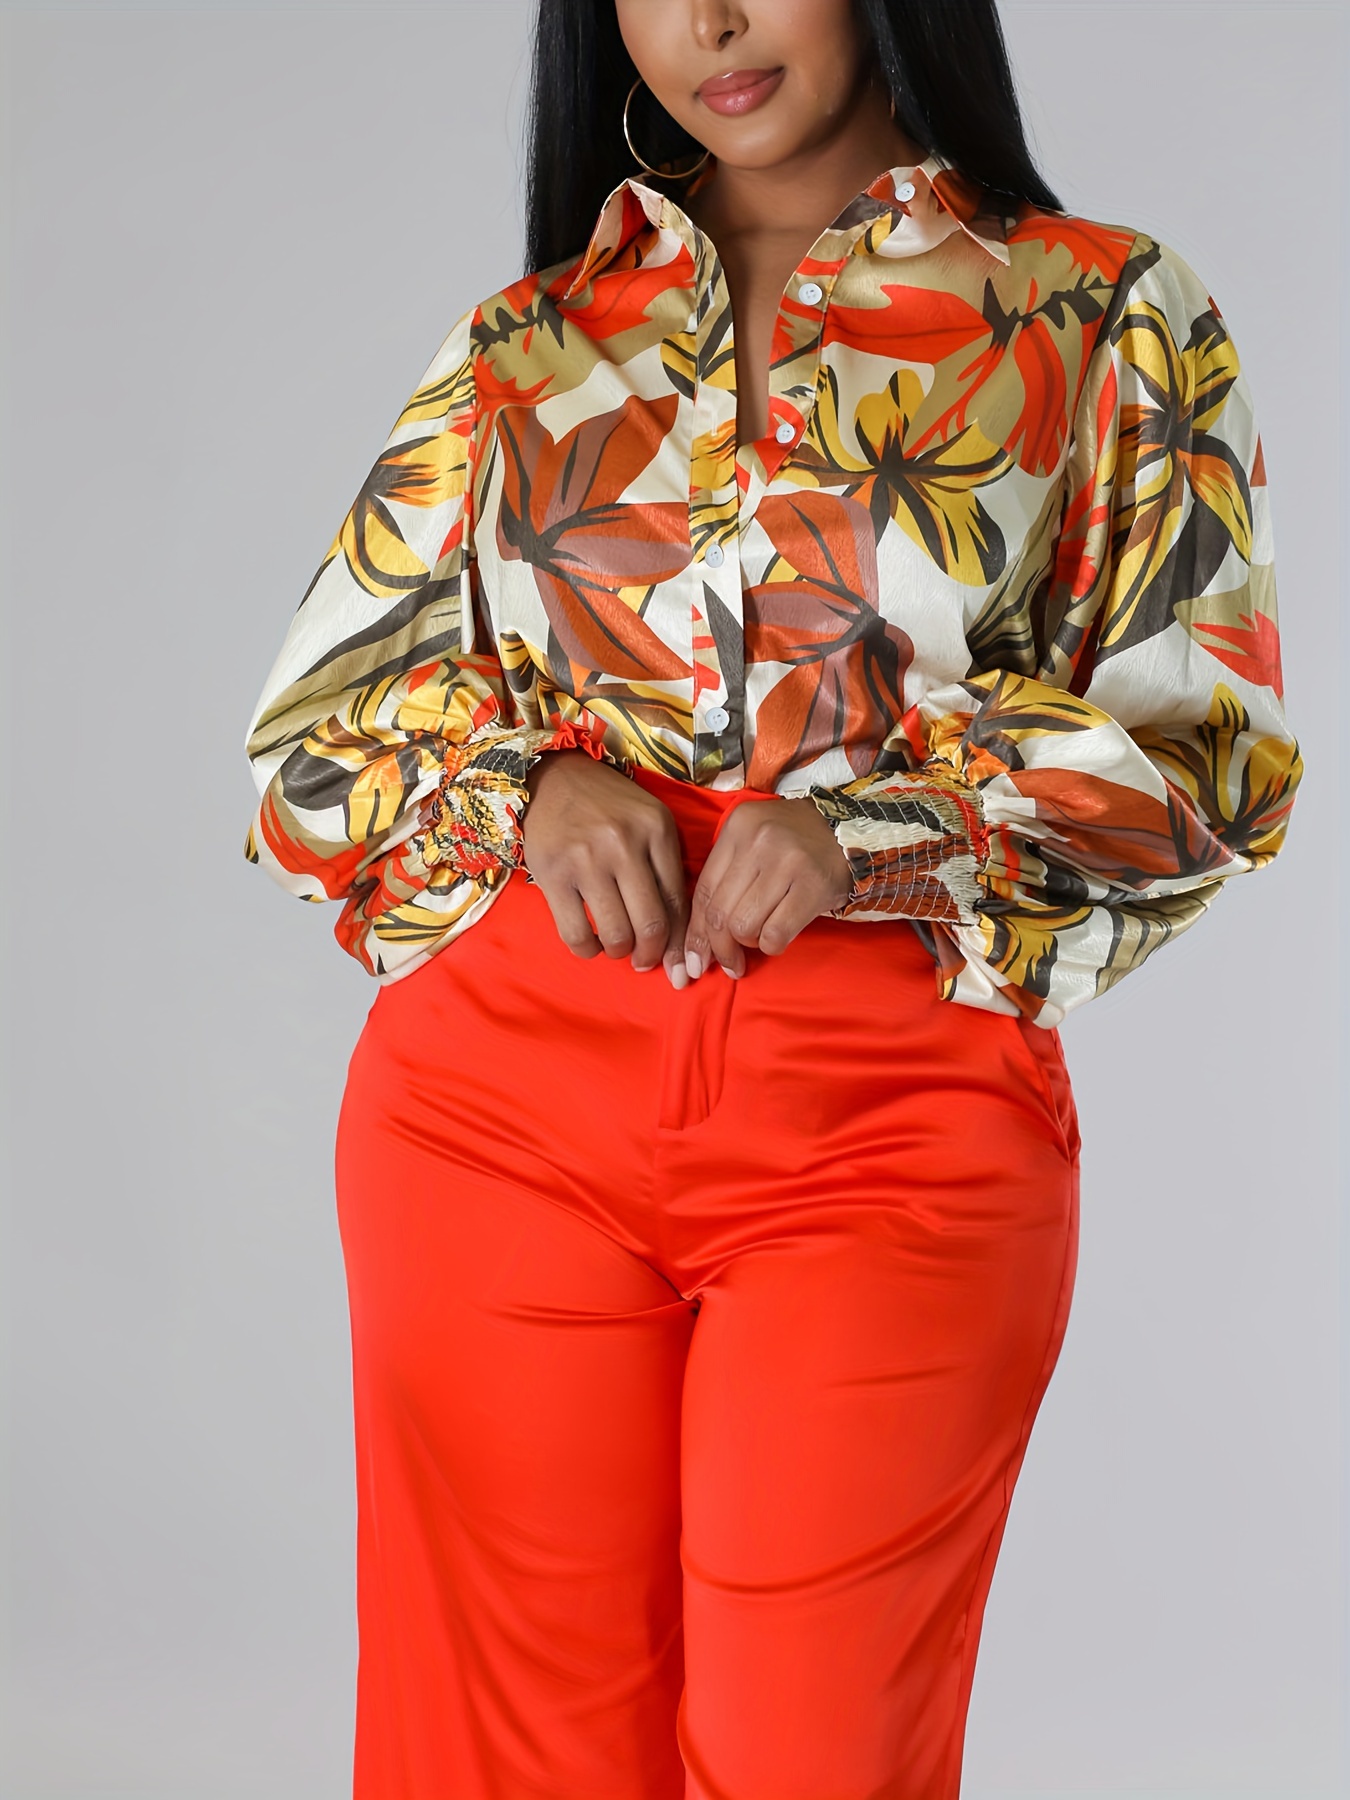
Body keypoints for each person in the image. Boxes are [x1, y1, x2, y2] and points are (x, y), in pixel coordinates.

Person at [242, 1, 1302, 1794]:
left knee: (810, 1750)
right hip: (494, 1112)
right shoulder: (528, 343)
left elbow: (1207, 757)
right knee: (507, 1753)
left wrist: (868, 832)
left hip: (887, 1122)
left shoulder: (1098, 309)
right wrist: (529, 783)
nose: (708, 22)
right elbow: (307, 749)